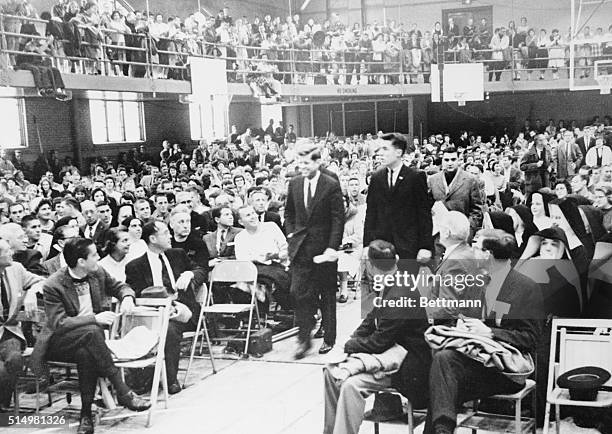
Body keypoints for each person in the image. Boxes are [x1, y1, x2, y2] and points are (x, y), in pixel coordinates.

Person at [424, 229, 543, 434]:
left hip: (506, 371)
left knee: (442, 381)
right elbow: (463, 316)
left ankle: (441, 429)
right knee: (443, 362)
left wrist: (490, 333)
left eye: (476, 248)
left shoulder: (527, 287)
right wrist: (461, 327)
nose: (472, 253)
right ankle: (443, 430)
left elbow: (531, 338)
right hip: (476, 362)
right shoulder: (476, 282)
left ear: (487, 255)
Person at [30, 238, 151, 434]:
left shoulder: (97, 272)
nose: (99, 258)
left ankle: (86, 415)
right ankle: (123, 391)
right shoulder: (54, 284)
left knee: (86, 353)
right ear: (81, 262)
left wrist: (127, 297)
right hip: (59, 343)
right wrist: (95, 318)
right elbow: (60, 323)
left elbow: (121, 287)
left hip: (89, 343)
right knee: (93, 331)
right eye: (94, 255)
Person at [323, 240, 430, 434]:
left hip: (407, 363)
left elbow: (379, 341)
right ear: (396, 259)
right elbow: (371, 319)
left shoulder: (400, 292)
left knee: (350, 386)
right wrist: (351, 339)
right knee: (330, 373)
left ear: (370, 266)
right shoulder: (392, 280)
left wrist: (348, 346)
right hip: (389, 353)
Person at [125, 221, 207, 395]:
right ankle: (144, 376)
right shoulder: (135, 266)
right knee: (137, 328)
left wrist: (189, 273)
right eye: (165, 233)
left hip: (183, 312)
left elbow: (201, 270)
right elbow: (138, 295)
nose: (170, 235)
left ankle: (169, 379)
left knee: (168, 329)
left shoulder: (178, 254)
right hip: (155, 313)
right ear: (153, 238)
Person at [285, 141, 344, 358]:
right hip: (300, 248)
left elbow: (338, 219)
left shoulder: (330, 184)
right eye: (299, 163)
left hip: (323, 249)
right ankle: (303, 339)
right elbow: (289, 214)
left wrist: (331, 247)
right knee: (297, 292)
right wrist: (291, 234)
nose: (302, 167)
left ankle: (329, 337)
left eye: (307, 163)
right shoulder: (294, 183)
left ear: (318, 162)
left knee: (327, 293)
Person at [364, 133, 433, 262]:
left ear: (398, 152)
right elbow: (371, 214)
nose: (380, 153)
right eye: (379, 149)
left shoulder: (415, 177)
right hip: (381, 248)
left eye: (385, 149)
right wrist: (366, 244)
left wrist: (425, 246)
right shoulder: (376, 178)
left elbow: (424, 214)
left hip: (409, 247)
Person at [0, 238, 44, 410]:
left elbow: (41, 281)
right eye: (6, 251)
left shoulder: (16, 269)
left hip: (10, 331)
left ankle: (3, 404)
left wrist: (32, 292)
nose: (12, 253)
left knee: (14, 359)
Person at [234, 205, 291, 311]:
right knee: (247, 279)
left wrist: (276, 255)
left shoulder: (271, 227)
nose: (253, 217)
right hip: (254, 269)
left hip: (277, 266)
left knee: (275, 279)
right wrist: (263, 257)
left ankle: (271, 306)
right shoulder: (240, 237)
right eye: (248, 215)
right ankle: (260, 311)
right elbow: (242, 260)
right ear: (241, 222)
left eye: (253, 213)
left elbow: (286, 250)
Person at [428, 147, 483, 237]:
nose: (450, 163)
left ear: (458, 160)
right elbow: (427, 206)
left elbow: (476, 210)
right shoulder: (433, 180)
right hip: (439, 233)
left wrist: (469, 229)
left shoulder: (470, 180)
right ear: (442, 161)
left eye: (453, 159)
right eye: (446, 160)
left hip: (462, 233)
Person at [520, 134, 553, 198]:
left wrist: (550, 167)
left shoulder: (547, 151)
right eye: (544, 140)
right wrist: (535, 165)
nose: (546, 141)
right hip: (533, 184)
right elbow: (522, 166)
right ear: (539, 141)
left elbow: (552, 161)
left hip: (545, 181)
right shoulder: (529, 153)